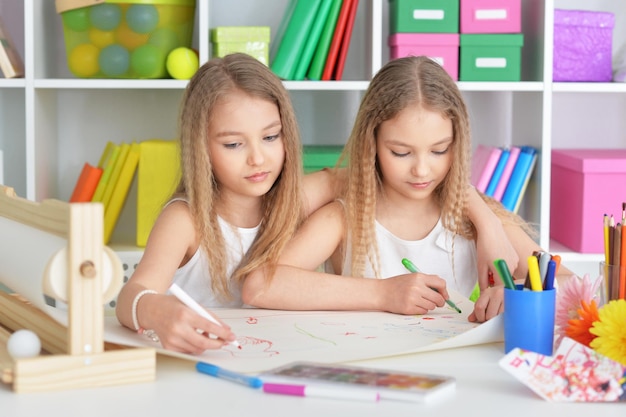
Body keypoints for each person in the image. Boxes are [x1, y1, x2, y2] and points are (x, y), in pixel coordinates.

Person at [116, 53, 519, 355]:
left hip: (270, 354)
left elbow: (412, 182)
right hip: (192, 360)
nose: (258, 158)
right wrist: (155, 311)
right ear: (199, 147)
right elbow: (132, 294)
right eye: (234, 144)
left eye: (271, 137)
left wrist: (488, 224)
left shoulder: (293, 199)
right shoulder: (186, 218)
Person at [242, 56, 570, 322]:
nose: (422, 170)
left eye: (440, 150)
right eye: (401, 152)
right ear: (371, 145)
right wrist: (383, 294)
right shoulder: (344, 217)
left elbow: (572, 286)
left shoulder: (478, 220)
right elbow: (260, 286)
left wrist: (517, 299)